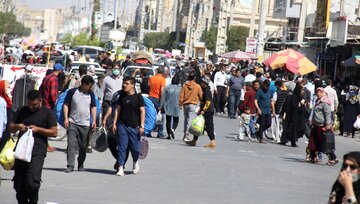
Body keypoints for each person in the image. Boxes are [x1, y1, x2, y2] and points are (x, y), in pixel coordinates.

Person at [10, 90, 57, 203]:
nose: (31, 107)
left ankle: (33, 201)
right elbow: (11, 127)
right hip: (21, 151)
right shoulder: (22, 110)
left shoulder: (47, 113)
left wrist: (38, 129)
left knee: (32, 183)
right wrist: (17, 126)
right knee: (19, 184)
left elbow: (54, 132)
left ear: (41, 101)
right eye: (29, 104)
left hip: (37, 152)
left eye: (34, 104)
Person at [63, 76, 97, 173]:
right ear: (83, 84)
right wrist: (66, 118)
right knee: (71, 145)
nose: (90, 88)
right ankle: (70, 165)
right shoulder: (72, 92)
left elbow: (93, 107)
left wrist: (94, 120)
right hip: (72, 122)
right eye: (89, 86)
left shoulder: (91, 94)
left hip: (85, 124)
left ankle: (80, 163)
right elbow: (66, 105)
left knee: (83, 146)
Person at [112, 76, 145, 176]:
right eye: (123, 83)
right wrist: (114, 123)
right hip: (122, 125)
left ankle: (135, 162)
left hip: (135, 127)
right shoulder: (122, 96)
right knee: (122, 147)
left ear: (132, 85)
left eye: (126, 83)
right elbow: (117, 110)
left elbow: (142, 111)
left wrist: (142, 126)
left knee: (135, 149)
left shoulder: (139, 97)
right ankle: (121, 168)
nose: (124, 85)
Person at [307, 87, 338, 165]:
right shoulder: (318, 101)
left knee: (325, 143)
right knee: (313, 141)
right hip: (316, 125)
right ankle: (312, 156)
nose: (318, 93)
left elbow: (328, 114)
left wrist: (328, 124)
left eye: (320, 92)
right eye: (317, 92)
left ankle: (333, 158)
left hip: (322, 126)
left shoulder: (325, 102)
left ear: (323, 92)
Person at [39, 62, 64, 152]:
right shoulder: (54, 79)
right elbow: (53, 94)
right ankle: (44, 146)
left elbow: (41, 90)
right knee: (48, 127)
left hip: (43, 103)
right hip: (49, 105)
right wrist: (55, 104)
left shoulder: (47, 77)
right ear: (60, 70)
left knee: (45, 126)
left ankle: (46, 145)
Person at [185, 77, 216, 148]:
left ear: (205, 83)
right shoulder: (206, 90)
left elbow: (208, 102)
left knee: (198, 125)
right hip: (209, 110)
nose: (201, 83)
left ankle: (194, 141)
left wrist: (203, 110)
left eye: (202, 82)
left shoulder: (207, 91)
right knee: (208, 126)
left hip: (207, 111)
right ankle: (212, 142)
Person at [179, 71, 203, 141]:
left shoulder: (184, 85)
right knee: (190, 120)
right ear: (194, 78)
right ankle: (186, 135)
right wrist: (202, 103)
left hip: (185, 104)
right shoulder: (197, 86)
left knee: (186, 120)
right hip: (193, 104)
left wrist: (180, 103)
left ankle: (184, 134)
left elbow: (181, 95)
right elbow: (201, 96)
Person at [101, 63, 123, 128]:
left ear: (120, 69)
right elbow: (102, 91)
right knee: (108, 120)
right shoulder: (106, 79)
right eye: (114, 69)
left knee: (117, 120)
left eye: (117, 69)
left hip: (118, 103)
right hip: (108, 102)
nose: (116, 70)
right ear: (112, 69)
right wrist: (101, 102)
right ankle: (107, 135)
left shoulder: (122, 79)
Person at [160, 75, 182, 139]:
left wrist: (161, 106)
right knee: (176, 120)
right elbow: (182, 97)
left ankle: (169, 134)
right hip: (176, 106)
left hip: (168, 106)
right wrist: (181, 104)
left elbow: (163, 98)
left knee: (168, 120)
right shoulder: (180, 88)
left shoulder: (167, 88)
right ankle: (173, 129)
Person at [148, 66, 166, 138]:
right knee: (161, 115)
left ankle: (149, 131)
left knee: (151, 115)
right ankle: (160, 133)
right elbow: (162, 91)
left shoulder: (151, 78)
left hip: (151, 97)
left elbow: (149, 86)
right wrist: (162, 100)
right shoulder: (163, 79)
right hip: (158, 98)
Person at [254, 79, 274, 144]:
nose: (267, 87)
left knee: (268, 124)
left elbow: (271, 101)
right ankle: (261, 138)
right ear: (264, 85)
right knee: (262, 124)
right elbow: (255, 100)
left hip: (268, 110)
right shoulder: (259, 91)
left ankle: (258, 132)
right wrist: (258, 109)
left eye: (268, 86)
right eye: (266, 86)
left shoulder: (269, 91)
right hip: (262, 110)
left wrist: (273, 110)